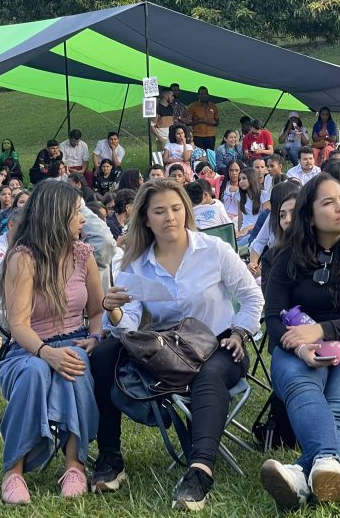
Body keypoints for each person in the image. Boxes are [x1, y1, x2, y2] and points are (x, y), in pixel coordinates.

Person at [91, 179, 262, 509]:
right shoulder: (135, 265)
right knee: (103, 355)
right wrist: (112, 312)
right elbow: (129, 325)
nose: (169, 216)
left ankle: (200, 471)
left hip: (221, 345)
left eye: (175, 208)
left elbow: (252, 298)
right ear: (145, 218)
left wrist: (240, 333)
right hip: (167, 353)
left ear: (186, 210)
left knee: (209, 373)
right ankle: (110, 457)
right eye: (159, 211)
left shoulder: (214, 250)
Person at [259, 174, 340, 509]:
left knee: (338, 407)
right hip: (296, 345)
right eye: (328, 202)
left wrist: (320, 331)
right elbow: (273, 317)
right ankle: (327, 465)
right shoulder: (285, 258)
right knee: (302, 388)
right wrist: (301, 346)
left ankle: (302, 475)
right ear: (309, 214)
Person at [0, 181, 103, 504]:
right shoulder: (23, 259)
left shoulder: (83, 254)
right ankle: (13, 471)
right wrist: (46, 352)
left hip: (74, 341)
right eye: (77, 212)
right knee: (36, 371)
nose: (83, 218)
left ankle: (75, 464)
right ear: (56, 215)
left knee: (74, 363)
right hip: (28, 347)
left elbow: (96, 311)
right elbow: (18, 325)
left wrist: (94, 337)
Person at [187, 86, 220, 151]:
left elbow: (217, 123)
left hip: (210, 136)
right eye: (201, 94)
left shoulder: (213, 106)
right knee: (199, 155)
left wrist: (213, 122)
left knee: (210, 155)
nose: (204, 95)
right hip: (198, 136)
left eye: (205, 94)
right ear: (198, 95)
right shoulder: (192, 107)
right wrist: (199, 120)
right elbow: (188, 122)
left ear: (208, 95)